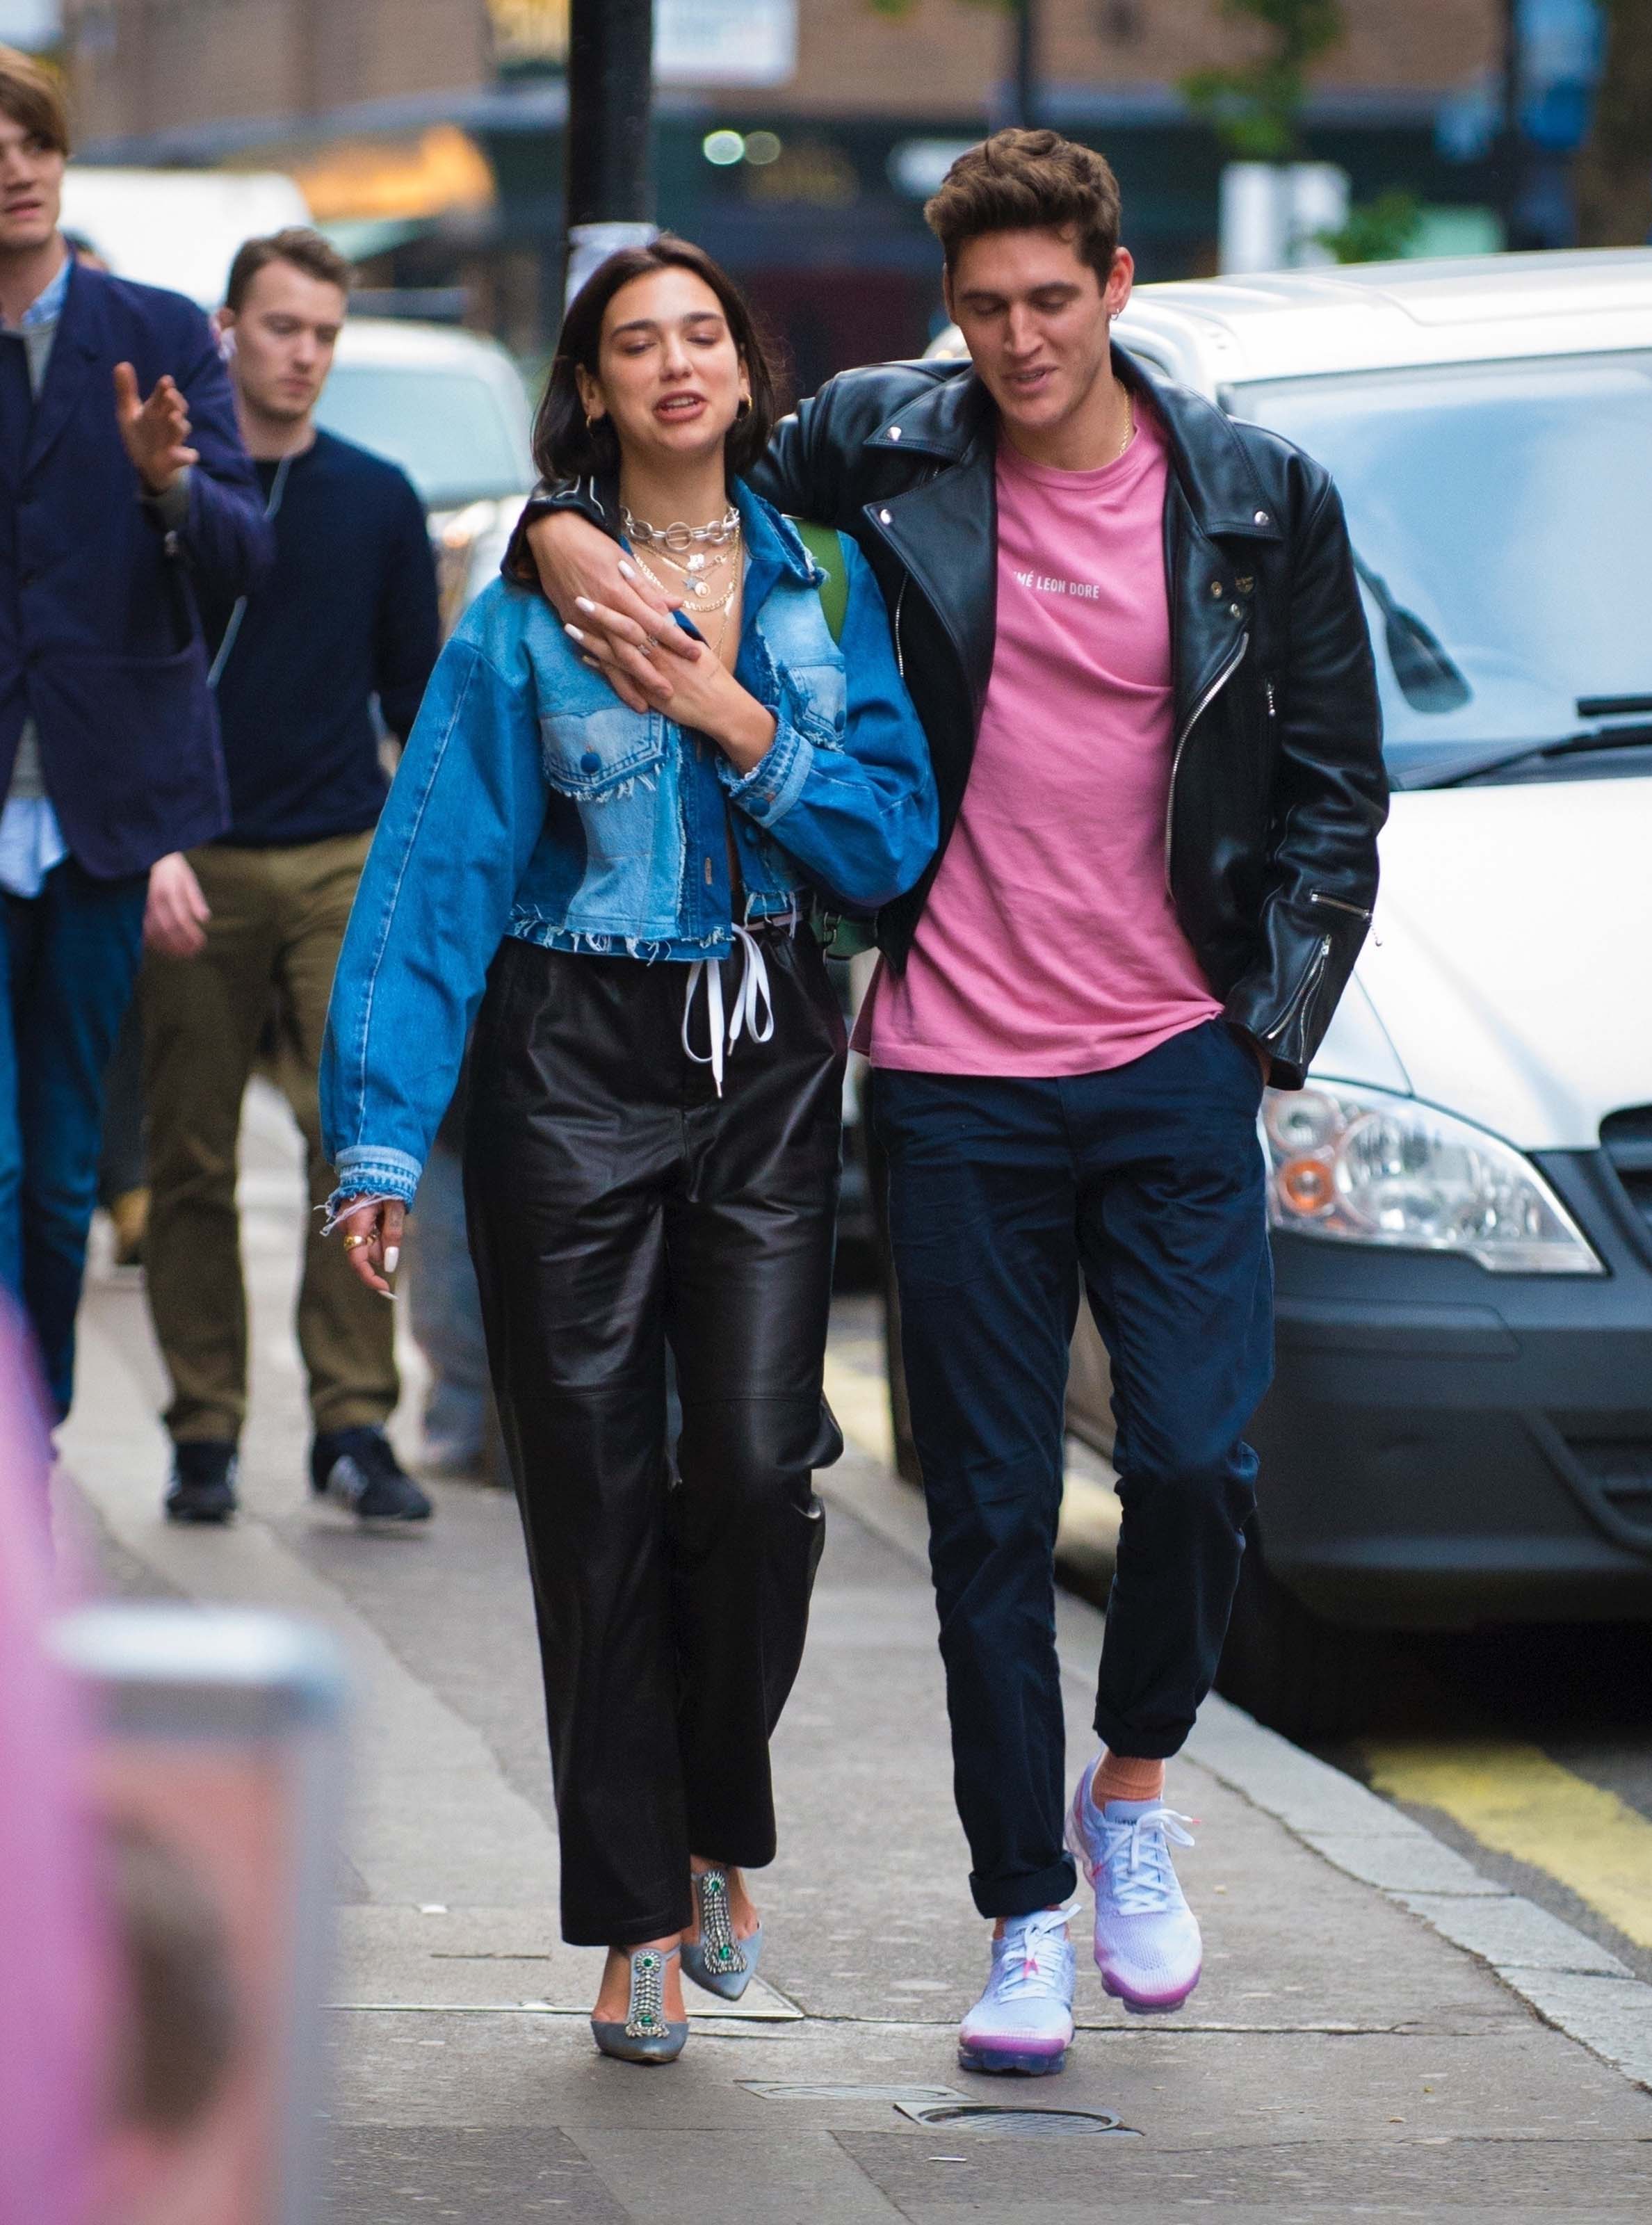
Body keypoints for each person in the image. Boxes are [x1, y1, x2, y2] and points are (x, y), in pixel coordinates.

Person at [515, 132, 1388, 2076]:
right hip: (954, 1075)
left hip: (1172, 1060)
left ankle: (1132, 1793)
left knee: (1194, 1468)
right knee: (988, 1517)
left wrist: (1266, 1029)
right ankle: (1023, 1916)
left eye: (1049, 302)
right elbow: (667, 468)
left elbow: (1339, 787)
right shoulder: (885, 446)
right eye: (984, 307)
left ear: (1117, 285)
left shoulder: (1255, 499)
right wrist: (552, 536)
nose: (1016, 341)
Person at [321, 239, 936, 2062]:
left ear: (748, 373)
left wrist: (733, 717)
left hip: (762, 1057)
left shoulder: (825, 580)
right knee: (587, 1500)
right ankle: (636, 1919)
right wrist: (374, 1137)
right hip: (567, 1057)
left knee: (753, 1472)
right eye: (634, 344)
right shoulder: (528, 609)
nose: (676, 366)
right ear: (591, 387)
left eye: (703, 336)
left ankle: (718, 1824)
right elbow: (438, 870)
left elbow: (886, 840)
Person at [139, 227, 439, 1528]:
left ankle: (356, 1423)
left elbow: (419, 703)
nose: (305, 353)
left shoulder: (377, 498)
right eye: (281, 328)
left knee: (353, 1140)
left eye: (324, 332)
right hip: (189, 853)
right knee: (192, 1155)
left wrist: (422, 873)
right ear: (227, 330)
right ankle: (204, 1427)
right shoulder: (163, 488)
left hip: (336, 855)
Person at [0, 47, 270, 1422]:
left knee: (57, 1176)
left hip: (107, 809)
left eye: (33, 137)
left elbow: (241, 557)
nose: (11, 161)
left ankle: (28, 1447)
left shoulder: (157, 333)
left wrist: (170, 488)